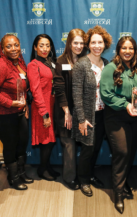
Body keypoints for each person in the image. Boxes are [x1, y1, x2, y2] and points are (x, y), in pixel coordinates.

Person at [100, 36, 137, 213]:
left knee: (130, 152)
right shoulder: (110, 68)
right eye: (124, 48)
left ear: (135, 50)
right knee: (122, 152)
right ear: (118, 50)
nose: (128, 51)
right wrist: (125, 104)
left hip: (135, 116)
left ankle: (124, 182)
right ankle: (118, 193)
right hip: (116, 116)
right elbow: (106, 94)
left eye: (131, 48)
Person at [0, 34, 33, 191]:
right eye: (9, 46)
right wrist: (10, 103)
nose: (13, 49)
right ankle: (13, 178)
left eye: (16, 45)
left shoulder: (20, 62)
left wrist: (24, 104)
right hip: (2, 115)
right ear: (2, 49)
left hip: (18, 112)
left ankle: (21, 171)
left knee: (22, 142)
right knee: (10, 145)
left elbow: (23, 85)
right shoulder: (0, 66)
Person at [72, 25, 112, 197]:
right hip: (87, 115)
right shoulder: (81, 64)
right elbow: (76, 94)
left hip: (103, 114)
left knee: (96, 149)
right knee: (87, 150)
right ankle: (83, 180)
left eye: (100, 42)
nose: (97, 45)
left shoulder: (107, 63)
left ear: (105, 44)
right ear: (88, 44)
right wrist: (81, 119)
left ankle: (90, 175)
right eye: (94, 42)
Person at [54, 29, 86, 190]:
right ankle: (69, 177)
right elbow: (59, 88)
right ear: (69, 43)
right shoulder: (61, 60)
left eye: (81, 43)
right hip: (65, 110)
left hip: (83, 110)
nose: (79, 46)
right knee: (69, 144)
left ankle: (84, 174)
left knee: (85, 143)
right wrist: (67, 112)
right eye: (76, 43)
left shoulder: (86, 59)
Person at [27, 34, 59, 181]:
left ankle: (46, 166)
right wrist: (44, 114)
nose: (45, 49)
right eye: (41, 45)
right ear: (35, 47)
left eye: (47, 45)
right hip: (42, 107)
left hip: (53, 105)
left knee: (51, 140)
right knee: (46, 140)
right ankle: (42, 169)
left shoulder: (51, 62)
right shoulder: (33, 65)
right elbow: (36, 91)